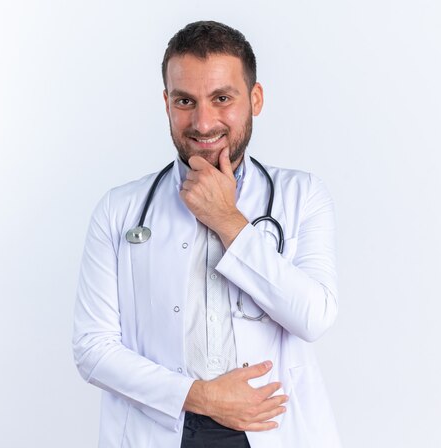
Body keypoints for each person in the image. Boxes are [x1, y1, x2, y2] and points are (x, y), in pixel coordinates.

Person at [73, 20, 341, 448]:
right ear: (166, 103)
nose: (202, 121)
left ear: (255, 98)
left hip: (271, 428)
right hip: (161, 426)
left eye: (222, 98)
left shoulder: (302, 195)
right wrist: (200, 397)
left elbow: (313, 317)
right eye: (185, 101)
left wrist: (227, 219)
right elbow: (93, 349)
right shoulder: (119, 208)